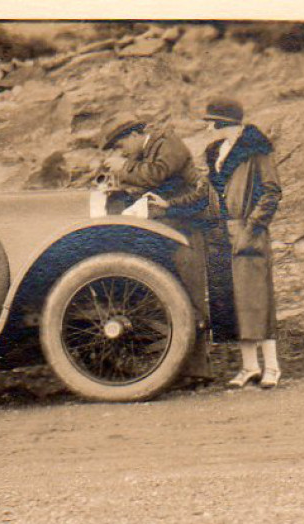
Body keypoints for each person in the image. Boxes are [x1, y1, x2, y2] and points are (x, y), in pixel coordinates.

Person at [98, 116, 214, 383]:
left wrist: (123, 167)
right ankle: (179, 367)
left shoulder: (168, 144)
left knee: (190, 295)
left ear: (135, 135)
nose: (122, 151)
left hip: (187, 229)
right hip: (170, 229)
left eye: (121, 145)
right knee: (171, 294)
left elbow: (154, 175)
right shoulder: (149, 151)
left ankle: (198, 371)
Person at [198, 95, 284, 388]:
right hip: (222, 233)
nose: (208, 128)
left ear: (223, 123)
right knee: (233, 302)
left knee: (257, 299)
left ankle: (271, 367)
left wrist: (253, 227)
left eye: (211, 122)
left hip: (248, 230)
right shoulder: (215, 152)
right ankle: (249, 367)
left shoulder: (255, 150)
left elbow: (271, 192)